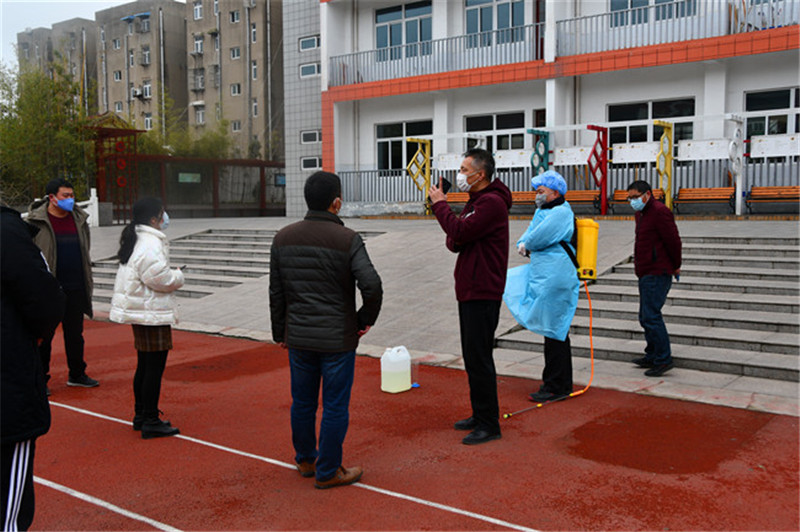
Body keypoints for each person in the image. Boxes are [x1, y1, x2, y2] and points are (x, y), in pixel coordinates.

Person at [269, 171, 382, 489]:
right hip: (337, 339)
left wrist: (281, 333)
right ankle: (328, 470)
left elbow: (276, 291)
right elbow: (371, 284)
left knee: (302, 402)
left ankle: (306, 459)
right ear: (337, 203)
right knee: (334, 405)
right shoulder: (348, 239)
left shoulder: (283, 237)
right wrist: (363, 320)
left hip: (300, 337)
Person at [428, 148, 512, 445]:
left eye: (464, 170)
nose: (460, 175)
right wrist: (455, 226)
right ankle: (480, 414)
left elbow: (458, 232)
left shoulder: (491, 203)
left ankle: (489, 423)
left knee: (479, 358)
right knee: (473, 356)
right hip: (471, 287)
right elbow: (455, 240)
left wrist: (441, 205)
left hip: (482, 289)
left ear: (481, 174)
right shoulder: (476, 201)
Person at [1, 205, 66, 531]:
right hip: (9, 392)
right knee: (8, 512)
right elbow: (44, 300)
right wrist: (38, 334)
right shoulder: (8, 233)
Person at [109, 197, 184, 439]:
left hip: (143, 310)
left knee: (144, 365)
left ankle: (142, 414)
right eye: (163, 213)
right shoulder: (151, 243)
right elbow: (158, 278)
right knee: (153, 368)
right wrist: (178, 276)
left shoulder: (137, 238)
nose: (166, 218)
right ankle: (150, 418)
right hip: (151, 312)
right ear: (153, 219)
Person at [503, 170, 579, 403]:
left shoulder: (560, 212)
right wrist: (525, 243)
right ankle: (557, 382)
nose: (537, 195)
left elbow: (536, 238)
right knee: (553, 329)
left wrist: (527, 244)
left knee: (555, 329)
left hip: (555, 277)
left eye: (541, 191)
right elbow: (526, 238)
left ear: (555, 192)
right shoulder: (544, 211)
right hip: (546, 275)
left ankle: (556, 384)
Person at [26, 178, 98, 392]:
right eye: (65, 196)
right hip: (49, 288)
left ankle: (77, 373)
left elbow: (86, 249)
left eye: (72, 195)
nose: (70, 199)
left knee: (75, 334)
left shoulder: (79, 219)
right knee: (44, 337)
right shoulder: (35, 222)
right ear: (52, 198)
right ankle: (41, 379)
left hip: (75, 285)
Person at [627, 180, 682, 377]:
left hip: (658, 271)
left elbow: (673, 241)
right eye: (630, 198)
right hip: (646, 271)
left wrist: (676, 265)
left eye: (635, 196)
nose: (633, 201)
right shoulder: (641, 213)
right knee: (645, 316)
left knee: (651, 316)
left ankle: (663, 359)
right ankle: (652, 354)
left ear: (647, 194)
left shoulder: (660, 212)